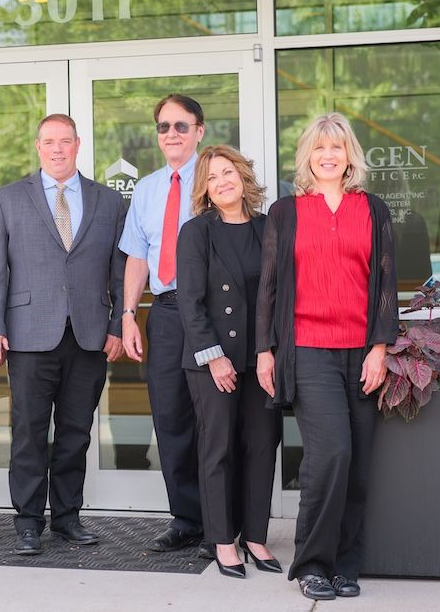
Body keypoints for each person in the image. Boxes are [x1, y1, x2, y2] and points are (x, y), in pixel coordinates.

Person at [255, 113, 398, 600]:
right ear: (308, 156)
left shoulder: (373, 209)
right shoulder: (287, 212)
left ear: (350, 155)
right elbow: (269, 287)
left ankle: (345, 563)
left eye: (337, 147)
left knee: (357, 464)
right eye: (319, 148)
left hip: (361, 351)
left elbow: (384, 284)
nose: (328, 155)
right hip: (309, 348)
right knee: (330, 453)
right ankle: (313, 562)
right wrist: (264, 352)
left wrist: (379, 347)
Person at [0, 113, 126, 555]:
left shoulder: (108, 201)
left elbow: (120, 273)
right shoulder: (8, 198)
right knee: (28, 431)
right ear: (38, 147)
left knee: (76, 432)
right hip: (28, 334)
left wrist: (118, 325)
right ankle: (27, 522)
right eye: (49, 141)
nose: (57, 148)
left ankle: (66, 518)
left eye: (65, 140)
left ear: (78, 144)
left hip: (89, 334)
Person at [176, 145, 282, 578]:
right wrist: (214, 357)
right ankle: (222, 541)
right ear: (204, 188)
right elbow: (190, 301)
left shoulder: (266, 228)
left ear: (242, 177)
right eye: (213, 176)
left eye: (228, 172)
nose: (222, 181)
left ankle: (255, 536)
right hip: (211, 361)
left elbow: (272, 298)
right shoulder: (196, 232)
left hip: (261, 360)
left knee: (261, 445)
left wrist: (267, 352)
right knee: (217, 449)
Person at [118, 94, 207, 555]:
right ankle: (187, 518)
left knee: (214, 418)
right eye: (163, 127)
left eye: (180, 125)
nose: (170, 133)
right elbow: (137, 256)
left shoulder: (217, 179)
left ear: (199, 131)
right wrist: (130, 314)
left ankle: (222, 520)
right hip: (166, 312)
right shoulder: (149, 188)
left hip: (213, 313)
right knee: (170, 417)